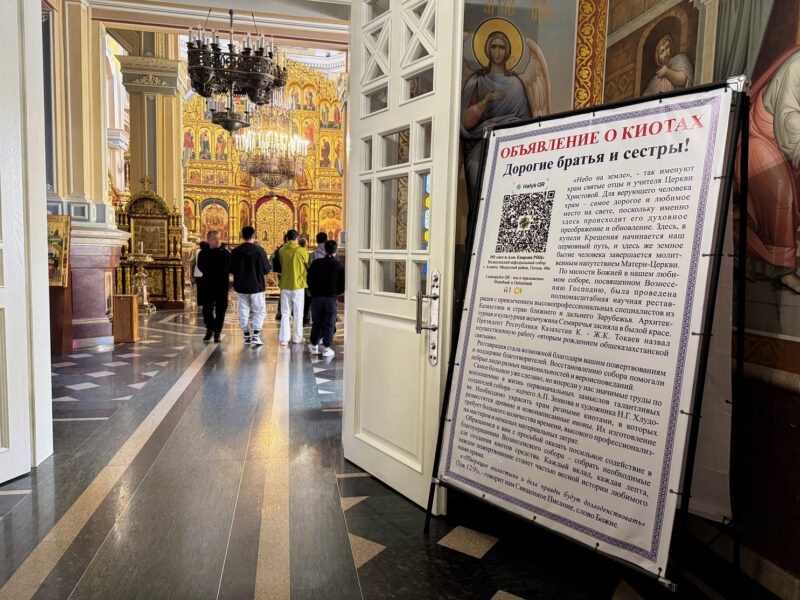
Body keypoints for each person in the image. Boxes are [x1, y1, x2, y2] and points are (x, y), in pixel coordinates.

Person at [229, 226, 271, 346]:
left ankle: (246, 336)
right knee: (259, 311)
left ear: (242, 236)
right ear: (254, 236)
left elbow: (230, 269)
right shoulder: (259, 251)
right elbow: (266, 269)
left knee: (243, 310)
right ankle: (256, 335)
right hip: (257, 285)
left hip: (241, 285)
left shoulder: (236, 251)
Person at [307, 240, 344, 358]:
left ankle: (314, 345)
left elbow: (309, 279)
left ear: (324, 250)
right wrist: (336, 292)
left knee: (317, 321)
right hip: (331, 297)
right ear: (336, 250)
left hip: (317, 297)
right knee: (329, 322)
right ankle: (327, 348)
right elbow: (342, 284)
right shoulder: (338, 265)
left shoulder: (316, 263)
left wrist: (313, 291)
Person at [277, 229, 309, 346]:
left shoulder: (281, 250)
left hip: (285, 284)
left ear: (287, 237)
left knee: (285, 312)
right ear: (297, 238)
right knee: (298, 312)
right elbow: (307, 263)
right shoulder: (301, 250)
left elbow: (281, 264)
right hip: (298, 284)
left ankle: (284, 339)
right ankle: (297, 337)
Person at [196, 231, 230, 343]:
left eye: (219, 238)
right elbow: (200, 266)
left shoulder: (226, 253)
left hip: (222, 285)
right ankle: (210, 328)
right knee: (207, 310)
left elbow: (229, 267)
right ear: (209, 240)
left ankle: (217, 332)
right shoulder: (203, 253)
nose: (218, 240)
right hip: (207, 284)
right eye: (215, 238)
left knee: (221, 310)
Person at [272, 234, 288, 320]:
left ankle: (281, 312)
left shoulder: (279, 249)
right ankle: (281, 312)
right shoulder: (284, 249)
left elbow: (273, 260)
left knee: (283, 293)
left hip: (281, 273)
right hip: (285, 274)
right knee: (285, 293)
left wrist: (277, 272)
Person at [192, 241, 209, 307]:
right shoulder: (207, 252)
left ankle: (200, 303)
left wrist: (193, 275)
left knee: (199, 289)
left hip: (197, 273)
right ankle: (205, 302)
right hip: (205, 274)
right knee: (206, 289)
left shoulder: (197, 251)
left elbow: (194, 263)